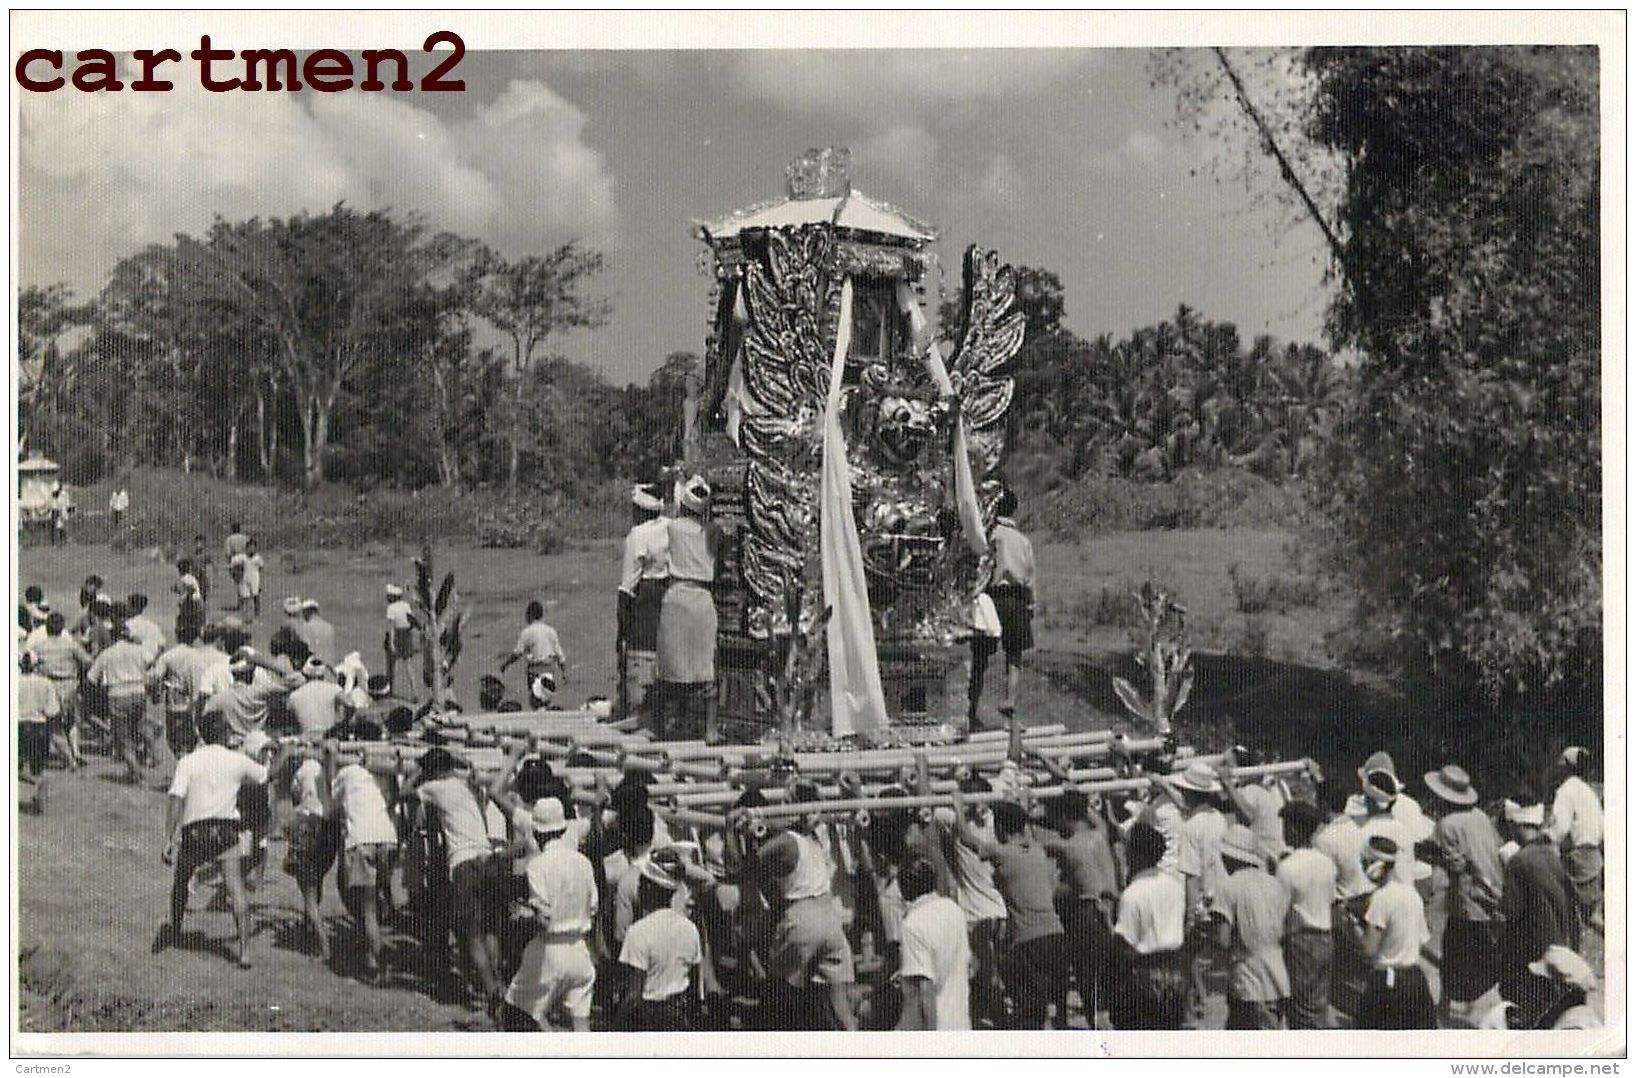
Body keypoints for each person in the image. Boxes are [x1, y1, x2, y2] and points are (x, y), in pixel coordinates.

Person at [159, 712, 282, 968]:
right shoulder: (236, 760)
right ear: (226, 733)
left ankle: (176, 932)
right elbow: (266, 776)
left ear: (201, 734)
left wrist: (169, 838)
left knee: (181, 883)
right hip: (225, 830)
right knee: (236, 890)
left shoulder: (188, 761)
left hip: (195, 831)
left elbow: (176, 799)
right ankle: (245, 952)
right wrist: (286, 752)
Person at [951, 793, 1067, 1030]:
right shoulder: (1036, 850)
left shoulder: (1002, 853)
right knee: (1052, 1013)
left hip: (1030, 942)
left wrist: (958, 807)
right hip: (1056, 935)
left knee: (1030, 1014)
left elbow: (965, 837)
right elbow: (1026, 831)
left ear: (1001, 828)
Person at [749, 786, 859, 1031]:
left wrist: (741, 832)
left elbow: (750, 866)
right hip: (829, 918)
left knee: (780, 993)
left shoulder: (788, 840)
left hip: (803, 916)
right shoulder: (816, 841)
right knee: (839, 1002)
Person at [414, 746, 508, 1020]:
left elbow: (406, 792)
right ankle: (499, 981)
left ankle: (493, 995)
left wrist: (416, 773)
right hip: (488, 857)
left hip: (465, 864)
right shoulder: (465, 784)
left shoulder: (434, 787)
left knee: (471, 935)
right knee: (490, 928)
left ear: (431, 770)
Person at [505, 796, 599, 1032]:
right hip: (580, 949)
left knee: (518, 1011)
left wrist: (526, 914)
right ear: (563, 829)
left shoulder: (537, 865)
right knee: (581, 1024)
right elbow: (593, 907)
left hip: (549, 950)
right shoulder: (584, 862)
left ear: (536, 833)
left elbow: (543, 916)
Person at [1421, 763, 1505, 1027]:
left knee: (1454, 952)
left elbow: (1456, 865)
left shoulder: (1447, 824)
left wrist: (1431, 855)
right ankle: (1476, 1003)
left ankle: (1445, 1009)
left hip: (1468, 898)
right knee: (1483, 950)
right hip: (1491, 891)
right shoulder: (1480, 816)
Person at [1496, 791, 1579, 1030]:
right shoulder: (1553, 855)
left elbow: (1511, 912)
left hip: (1530, 950)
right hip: (1556, 944)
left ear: (1513, 824)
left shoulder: (1519, 860)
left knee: (1521, 1006)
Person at [1039, 789, 1121, 1026]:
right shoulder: (1100, 834)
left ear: (1064, 815)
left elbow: (1032, 844)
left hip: (1087, 915)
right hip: (1110, 909)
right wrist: (1073, 792)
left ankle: (1097, 1035)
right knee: (1107, 979)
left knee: (1087, 980)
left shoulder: (1069, 846)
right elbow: (1093, 816)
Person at [324, 740, 400, 979]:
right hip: (387, 838)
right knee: (375, 899)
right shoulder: (382, 772)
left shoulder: (348, 771)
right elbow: (390, 800)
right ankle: (372, 947)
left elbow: (331, 791)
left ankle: (380, 961)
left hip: (362, 839)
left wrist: (331, 760)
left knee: (365, 908)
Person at [654, 475, 721, 740]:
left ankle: (666, 725)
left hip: (678, 597)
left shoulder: (672, 527)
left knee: (670, 667)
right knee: (705, 668)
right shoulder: (713, 531)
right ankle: (710, 728)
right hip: (703, 599)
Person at [1344, 836, 1434, 1029]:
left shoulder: (1381, 899)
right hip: (1414, 979)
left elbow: (1369, 949)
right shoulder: (1412, 895)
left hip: (1388, 980)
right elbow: (1421, 938)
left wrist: (1353, 928)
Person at [1109, 822, 1188, 1030]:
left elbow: (1124, 944)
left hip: (1145, 975)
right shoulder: (1175, 885)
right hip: (1176, 971)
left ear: (1136, 854)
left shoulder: (1133, 894)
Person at [617, 846, 703, 1031]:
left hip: (649, 1017)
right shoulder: (690, 929)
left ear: (649, 887)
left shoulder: (639, 932)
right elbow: (695, 983)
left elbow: (634, 994)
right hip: (680, 1013)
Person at [1214, 823, 1291, 1029]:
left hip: (1247, 979)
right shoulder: (1275, 884)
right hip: (1279, 976)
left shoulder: (1228, 886)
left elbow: (1222, 939)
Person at [1275, 799, 1338, 1030]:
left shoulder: (1288, 867)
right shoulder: (1326, 863)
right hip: (1325, 938)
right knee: (1317, 1007)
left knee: (1300, 1011)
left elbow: (1279, 913)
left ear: (1292, 829)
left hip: (1300, 941)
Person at [896, 855, 972, 1031]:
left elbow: (923, 992)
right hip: (961, 1024)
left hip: (938, 1029)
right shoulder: (954, 909)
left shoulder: (912, 924)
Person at [617, 483, 671, 724]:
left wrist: (621, 633)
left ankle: (638, 713)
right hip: (670, 594)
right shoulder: (671, 526)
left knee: (640, 656)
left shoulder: (637, 536)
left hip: (646, 597)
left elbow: (627, 588)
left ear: (639, 510)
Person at [983, 489, 1036, 718]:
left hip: (991, 596)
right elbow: (1030, 576)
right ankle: (1009, 699)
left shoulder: (989, 536)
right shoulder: (1022, 541)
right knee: (1014, 655)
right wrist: (1031, 603)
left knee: (980, 654)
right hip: (1016, 598)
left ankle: (972, 705)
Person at [86, 619, 159, 784]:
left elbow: (91, 678)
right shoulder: (139, 650)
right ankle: (149, 754)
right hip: (138, 692)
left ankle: (137, 774)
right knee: (138, 726)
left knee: (123, 739)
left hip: (117, 694)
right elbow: (151, 662)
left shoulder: (107, 654)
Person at [283, 748, 339, 960]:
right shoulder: (336, 767)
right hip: (330, 828)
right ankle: (310, 928)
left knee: (307, 888)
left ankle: (322, 943)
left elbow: (295, 797)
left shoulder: (305, 768)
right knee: (317, 880)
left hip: (308, 824)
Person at [1545, 746, 1603, 937]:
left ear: (1568, 766)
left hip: (1578, 857)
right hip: (1594, 855)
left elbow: (1559, 830)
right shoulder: (1588, 791)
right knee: (1585, 913)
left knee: (1583, 915)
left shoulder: (1566, 791)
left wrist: (1545, 836)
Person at [199, 647, 303, 741]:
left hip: (232, 743)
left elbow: (203, 720)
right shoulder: (260, 693)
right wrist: (261, 662)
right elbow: (298, 680)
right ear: (251, 673)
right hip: (258, 741)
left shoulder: (217, 700)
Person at [29, 610, 90, 769]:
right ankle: (76, 752)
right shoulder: (71, 645)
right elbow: (87, 661)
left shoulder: (39, 647)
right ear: (62, 628)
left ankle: (69, 758)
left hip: (49, 687)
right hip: (69, 685)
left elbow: (30, 664)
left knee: (53, 725)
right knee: (71, 722)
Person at [148, 622, 214, 761]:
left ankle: (184, 767)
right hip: (198, 702)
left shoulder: (169, 656)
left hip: (176, 703)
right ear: (196, 638)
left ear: (177, 636)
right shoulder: (200, 656)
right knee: (192, 740)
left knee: (175, 740)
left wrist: (156, 695)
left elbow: (156, 677)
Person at [499, 600, 567, 709]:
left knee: (535, 700)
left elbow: (518, 653)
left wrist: (505, 664)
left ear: (529, 615)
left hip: (534, 670)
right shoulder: (551, 631)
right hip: (549, 668)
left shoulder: (527, 632)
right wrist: (564, 673)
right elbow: (560, 655)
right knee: (546, 697)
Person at [17, 652, 59, 812]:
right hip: (39, 727)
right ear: (36, 665)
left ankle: (32, 784)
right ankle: (38, 787)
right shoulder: (46, 683)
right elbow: (52, 710)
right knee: (38, 766)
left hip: (18, 726)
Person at [286, 658, 346, 736]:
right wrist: (343, 722)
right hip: (329, 735)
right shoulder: (334, 689)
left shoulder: (294, 696)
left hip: (306, 736)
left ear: (305, 675)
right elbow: (350, 704)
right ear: (323, 675)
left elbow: (291, 719)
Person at [382, 584, 418, 698]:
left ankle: (390, 691)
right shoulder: (406, 605)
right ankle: (414, 692)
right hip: (407, 634)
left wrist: (391, 642)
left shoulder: (391, 608)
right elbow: (411, 620)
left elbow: (392, 627)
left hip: (397, 634)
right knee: (409, 666)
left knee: (391, 666)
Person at [269, 597, 312, 672]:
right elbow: (297, 638)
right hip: (289, 648)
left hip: (282, 646)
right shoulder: (294, 624)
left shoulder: (288, 622)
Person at [124, 592, 166, 664]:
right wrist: (153, 661)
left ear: (134, 608)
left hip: (135, 663)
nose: (125, 608)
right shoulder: (154, 626)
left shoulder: (128, 624)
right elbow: (162, 647)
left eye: (128, 605)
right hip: (151, 662)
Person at [232, 538, 265, 620]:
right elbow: (233, 562)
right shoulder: (243, 557)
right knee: (245, 596)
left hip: (254, 577)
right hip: (245, 577)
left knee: (255, 595)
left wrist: (260, 579)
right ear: (246, 548)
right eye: (250, 547)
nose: (251, 549)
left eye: (253, 547)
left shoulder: (257, 558)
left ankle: (257, 614)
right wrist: (236, 573)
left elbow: (261, 568)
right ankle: (246, 614)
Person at [298, 599, 337, 667]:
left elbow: (306, 649)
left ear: (307, 612)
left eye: (303, 612)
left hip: (314, 667)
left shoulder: (306, 627)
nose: (302, 616)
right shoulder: (329, 627)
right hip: (329, 666)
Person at [173, 560, 206, 640]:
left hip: (192, 603)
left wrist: (184, 601)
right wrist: (178, 591)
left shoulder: (185, 578)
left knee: (182, 622)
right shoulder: (190, 577)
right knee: (195, 623)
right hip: (196, 601)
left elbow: (191, 590)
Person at [191, 535, 213, 609]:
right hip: (195, 577)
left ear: (204, 544)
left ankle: (204, 610)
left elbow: (209, 567)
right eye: (197, 542)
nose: (198, 544)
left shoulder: (206, 554)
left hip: (204, 577)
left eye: (200, 542)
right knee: (196, 595)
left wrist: (209, 578)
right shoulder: (193, 554)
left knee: (204, 594)